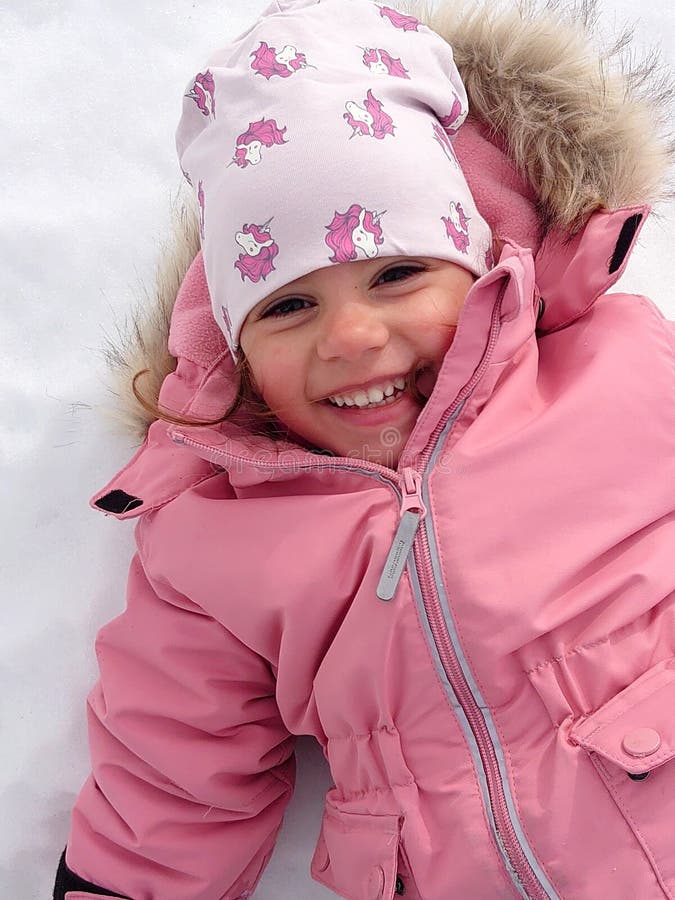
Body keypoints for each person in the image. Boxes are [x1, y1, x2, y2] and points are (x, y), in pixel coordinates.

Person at [53, 0, 675, 897]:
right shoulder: (209, 541)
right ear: (235, 350)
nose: (350, 337)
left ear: (480, 267)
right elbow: (174, 765)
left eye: (397, 274)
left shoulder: (619, 371)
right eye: (287, 305)